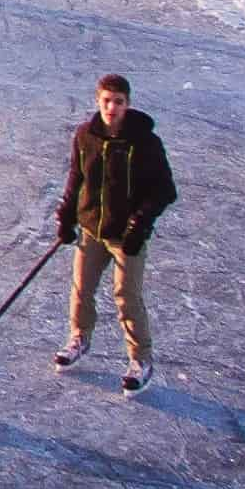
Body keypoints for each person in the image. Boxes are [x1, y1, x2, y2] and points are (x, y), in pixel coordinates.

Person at [53, 73, 178, 393]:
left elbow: (165, 190)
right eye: (106, 101)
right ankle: (79, 337)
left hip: (127, 235)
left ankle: (141, 359)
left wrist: (141, 222)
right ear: (98, 102)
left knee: (126, 296)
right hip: (92, 229)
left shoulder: (145, 143)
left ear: (127, 104)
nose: (112, 107)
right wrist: (67, 216)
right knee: (81, 289)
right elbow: (75, 178)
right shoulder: (85, 136)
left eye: (118, 102)